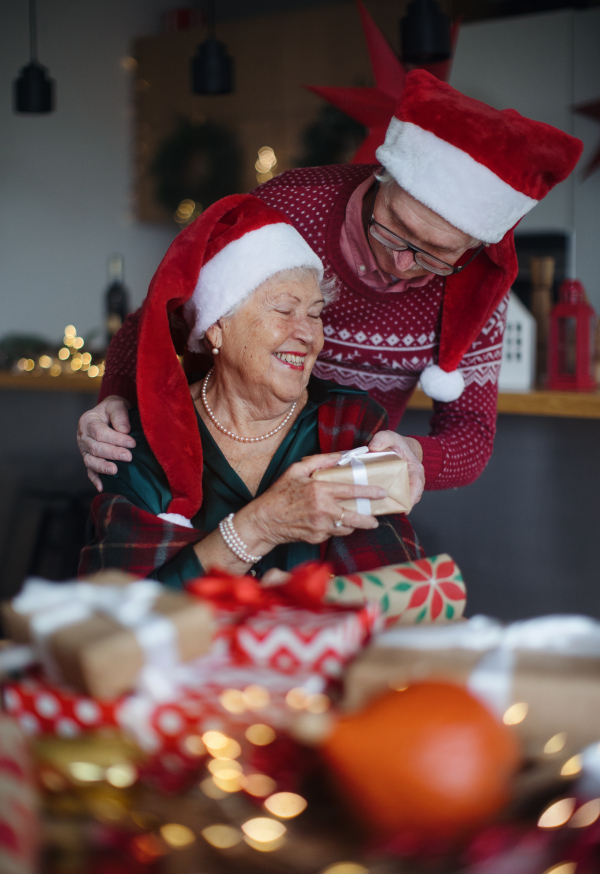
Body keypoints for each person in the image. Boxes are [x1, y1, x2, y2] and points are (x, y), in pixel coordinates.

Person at [77, 71, 582, 498]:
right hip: (210, 462)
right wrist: (114, 398)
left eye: (436, 254)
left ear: (472, 248)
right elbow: (158, 318)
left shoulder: (480, 285)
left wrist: (413, 454)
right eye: (395, 229)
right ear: (382, 176)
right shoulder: (292, 207)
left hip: (339, 487)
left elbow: (470, 434)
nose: (403, 263)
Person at [79, 195, 424, 587]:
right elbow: (115, 618)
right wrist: (259, 527)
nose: (308, 334)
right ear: (217, 326)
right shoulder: (143, 440)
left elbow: (395, 590)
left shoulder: (351, 423)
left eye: (314, 314)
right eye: (283, 310)